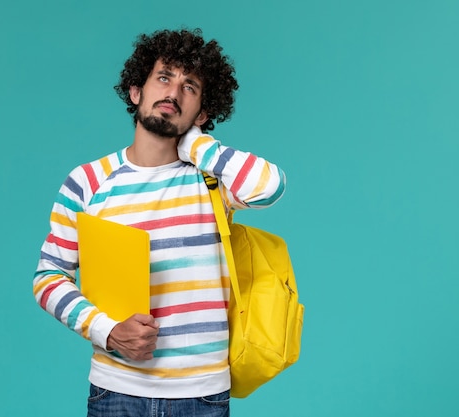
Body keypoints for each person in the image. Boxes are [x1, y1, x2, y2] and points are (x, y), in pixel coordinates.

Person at [33, 28, 286, 417]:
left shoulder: (211, 180)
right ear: (137, 92)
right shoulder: (87, 181)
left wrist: (198, 145)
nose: (173, 92)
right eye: (164, 77)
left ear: (202, 112)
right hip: (115, 391)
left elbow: (269, 186)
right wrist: (108, 331)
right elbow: (48, 277)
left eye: (190, 87)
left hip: (203, 395)